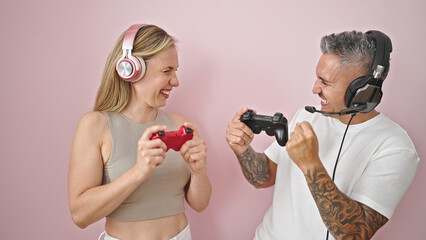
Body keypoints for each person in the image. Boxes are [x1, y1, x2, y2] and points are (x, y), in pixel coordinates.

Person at [226, 30, 419, 240]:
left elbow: (354, 234)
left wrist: (310, 164)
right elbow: (263, 178)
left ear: (361, 90)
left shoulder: (396, 147)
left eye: (325, 82)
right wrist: (243, 150)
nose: (314, 89)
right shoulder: (307, 117)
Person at [68, 24, 212, 240]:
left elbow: (200, 204)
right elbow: (80, 215)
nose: (176, 81)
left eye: (176, 70)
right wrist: (138, 172)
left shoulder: (179, 124)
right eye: (166, 71)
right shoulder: (95, 125)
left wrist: (198, 170)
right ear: (131, 69)